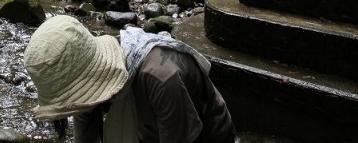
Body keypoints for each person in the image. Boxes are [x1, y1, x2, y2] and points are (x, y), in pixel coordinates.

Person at [24, 15, 235, 143]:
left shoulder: (162, 78)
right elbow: (85, 137)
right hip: (146, 127)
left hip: (205, 135)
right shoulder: (83, 84)